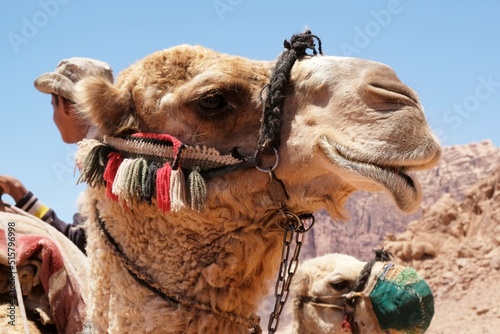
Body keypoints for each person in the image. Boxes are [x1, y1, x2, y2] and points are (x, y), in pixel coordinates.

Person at [0, 58, 114, 254]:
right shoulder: (115, 153)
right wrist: (17, 191)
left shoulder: (104, 164)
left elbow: (78, 245)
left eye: (53, 105)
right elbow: (82, 239)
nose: (53, 116)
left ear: (65, 104)